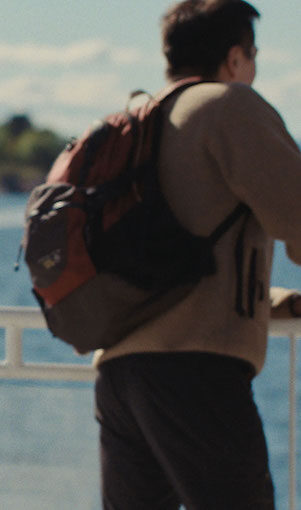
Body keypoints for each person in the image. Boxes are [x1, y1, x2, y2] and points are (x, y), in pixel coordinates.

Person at [93, 1, 301, 509]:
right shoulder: (229, 106)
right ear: (235, 58)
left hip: (119, 378)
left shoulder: (137, 122)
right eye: (253, 57)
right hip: (195, 376)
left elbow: (174, 257)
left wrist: (272, 301)